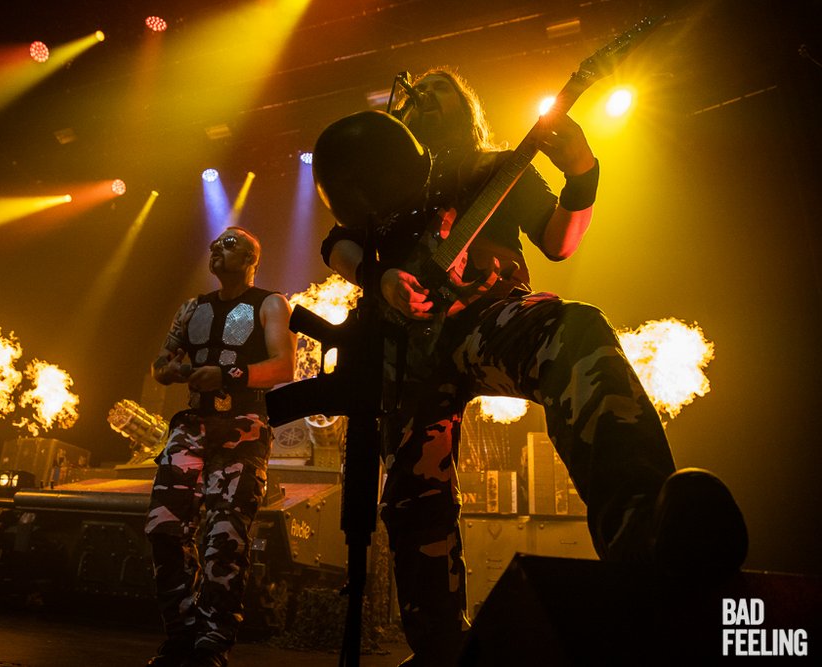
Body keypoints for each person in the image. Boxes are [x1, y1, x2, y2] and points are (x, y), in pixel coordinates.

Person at [318, 69, 748, 665]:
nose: (430, 97)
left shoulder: (499, 167)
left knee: (575, 331)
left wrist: (582, 173)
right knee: (413, 494)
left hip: (489, 316)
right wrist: (379, 275)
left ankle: (641, 532)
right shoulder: (386, 170)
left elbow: (558, 241)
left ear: (468, 108)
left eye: (445, 89)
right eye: (423, 91)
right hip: (408, 347)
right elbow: (336, 242)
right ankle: (440, 645)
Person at [144, 227, 296, 667]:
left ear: (251, 258)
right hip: (193, 424)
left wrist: (228, 376)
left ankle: (212, 641)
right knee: (163, 528)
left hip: (243, 427)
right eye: (214, 244)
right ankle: (181, 633)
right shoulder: (192, 307)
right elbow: (160, 364)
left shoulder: (270, 303)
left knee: (225, 536)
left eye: (229, 244)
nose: (216, 249)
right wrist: (172, 371)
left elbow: (284, 366)